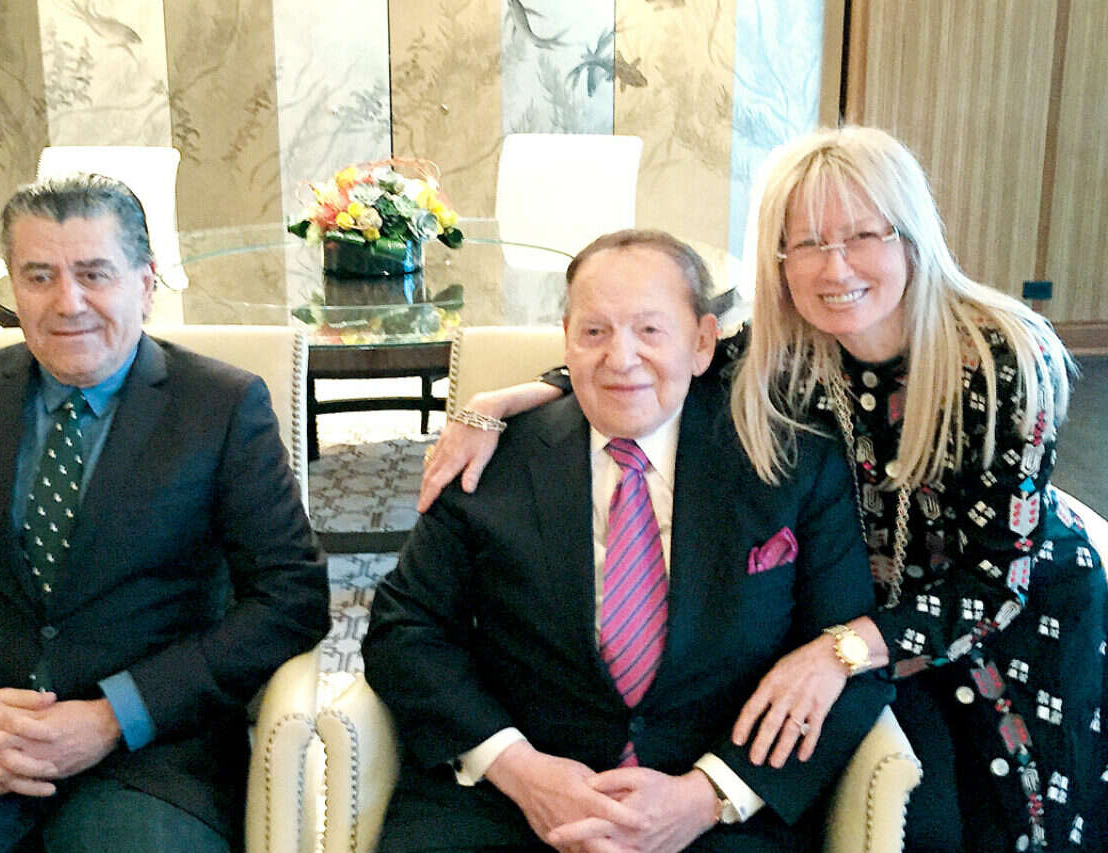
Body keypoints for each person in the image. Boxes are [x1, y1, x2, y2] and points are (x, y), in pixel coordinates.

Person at [419, 126, 1108, 852]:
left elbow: (995, 582)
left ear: (911, 237)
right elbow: (655, 362)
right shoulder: (787, 350)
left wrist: (838, 650)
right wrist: (504, 402)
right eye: (807, 243)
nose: (835, 267)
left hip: (1010, 611)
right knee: (924, 817)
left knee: (1022, 825)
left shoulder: (1001, 357)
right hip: (869, 612)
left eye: (862, 236)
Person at [0, 174, 330, 852]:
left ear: (145, 285)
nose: (68, 303)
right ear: (14, 289)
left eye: (94, 274)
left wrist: (114, 715)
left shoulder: (221, 406)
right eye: (40, 276)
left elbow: (293, 597)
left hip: (151, 759)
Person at [363, 229, 893, 853]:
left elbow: (850, 663)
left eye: (650, 331)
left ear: (702, 343)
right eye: (595, 332)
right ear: (566, 338)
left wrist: (708, 795)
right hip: (509, 802)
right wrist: (520, 770)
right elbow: (405, 629)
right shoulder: (488, 458)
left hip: (717, 810)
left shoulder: (791, 462)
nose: (621, 358)